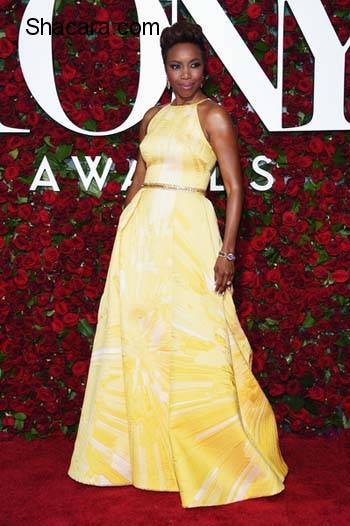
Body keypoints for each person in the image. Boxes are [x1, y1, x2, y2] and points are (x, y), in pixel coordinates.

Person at [68, 20, 288, 508]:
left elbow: (234, 189)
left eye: (193, 65)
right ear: (165, 69)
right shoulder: (151, 117)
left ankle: (213, 454)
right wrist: (124, 231)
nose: (185, 74)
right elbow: (139, 181)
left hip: (190, 230)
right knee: (140, 339)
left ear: (205, 67)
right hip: (142, 237)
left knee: (199, 337)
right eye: (175, 66)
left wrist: (228, 252)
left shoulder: (215, 117)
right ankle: (141, 457)